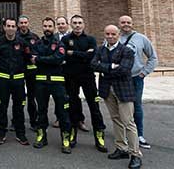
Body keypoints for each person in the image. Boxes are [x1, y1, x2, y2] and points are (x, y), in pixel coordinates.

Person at [91, 25, 142, 169]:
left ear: (118, 35)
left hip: (123, 90)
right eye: (107, 33)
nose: (110, 36)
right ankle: (121, 148)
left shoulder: (127, 50)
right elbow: (93, 65)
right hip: (107, 90)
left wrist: (105, 68)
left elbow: (125, 69)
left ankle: (135, 154)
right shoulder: (100, 49)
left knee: (128, 122)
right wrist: (111, 67)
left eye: (113, 34)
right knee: (116, 119)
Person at [61, 15, 107, 152]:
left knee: (94, 106)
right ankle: (72, 134)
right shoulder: (65, 39)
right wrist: (82, 54)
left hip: (88, 76)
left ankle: (99, 136)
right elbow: (64, 55)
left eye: (80, 23)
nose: (77, 25)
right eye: (74, 23)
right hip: (70, 77)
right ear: (70, 24)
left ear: (84, 24)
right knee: (73, 106)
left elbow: (91, 56)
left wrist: (73, 53)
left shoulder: (90, 39)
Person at [31, 17, 72, 154]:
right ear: (42, 27)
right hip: (41, 82)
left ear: (53, 28)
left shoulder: (59, 43)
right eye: (45, 26)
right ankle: (41, 136)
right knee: (41, 111)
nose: (47, 28)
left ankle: (65, 139)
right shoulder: (37, 43)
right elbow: (33, 58)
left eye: (50, 26)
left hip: (57, 82)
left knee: (62, 112)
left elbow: (58, 58)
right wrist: (46, 59)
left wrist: (41, 59)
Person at [119, 15, 158, 150]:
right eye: (123, 22)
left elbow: (153, 58)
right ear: (119, 24)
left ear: (132, 24)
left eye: (128, 22)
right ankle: (123, 134)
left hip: (136, 77)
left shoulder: (141, 39)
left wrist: (144, 73)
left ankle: (139, 135)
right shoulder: (114, 37)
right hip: (119, 78)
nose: (126, 24)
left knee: (136, 106)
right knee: (121, 106)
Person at [0, 18, 30, 145]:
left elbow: (26, 59)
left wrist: (21, 72)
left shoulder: (22, 43)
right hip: (3, 80)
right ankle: (1, 133)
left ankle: (21, 134)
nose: (11, 28)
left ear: (16, 28)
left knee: (19, 108)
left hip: (18, 80)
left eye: (13, 26)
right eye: (8, 26)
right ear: (4, 27)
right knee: (2, 107)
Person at [18, 15, 39, 131]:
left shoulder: (34, 37)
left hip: (32, 72)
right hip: (19, 71)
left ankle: (33, 121)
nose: (23, 25)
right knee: (19, 98)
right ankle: (16, 121)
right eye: (21, 23)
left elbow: (38, 52)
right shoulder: (15, 37)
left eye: (25, 22)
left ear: (28, 23)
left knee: (31, 98)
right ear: (18, 24)